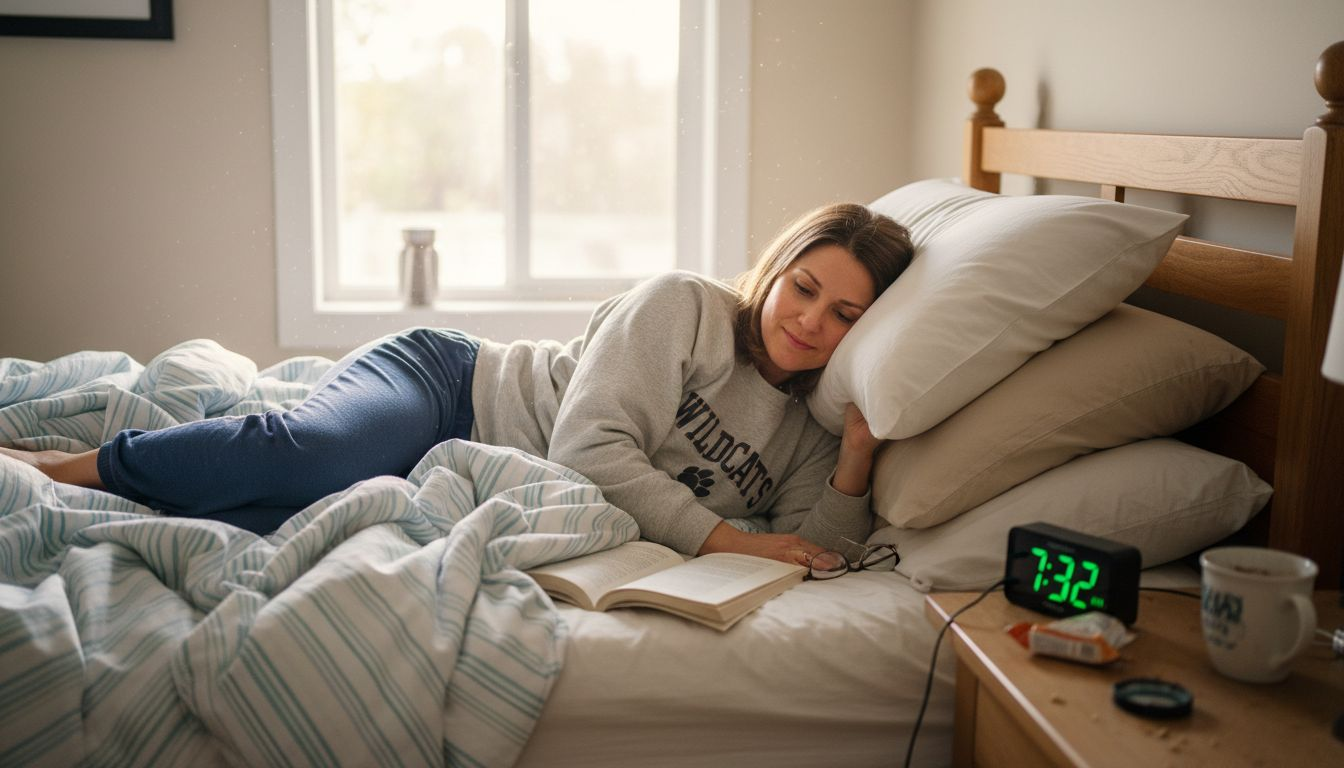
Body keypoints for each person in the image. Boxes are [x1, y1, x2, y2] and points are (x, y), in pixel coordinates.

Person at [1, 203, 914, 566]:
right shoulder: (683, 307)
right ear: (777, 270)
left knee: (275, 520)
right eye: (804, 288)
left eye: (844, 316)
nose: (809, 323)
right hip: (450, 387)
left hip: (472, 469)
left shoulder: (812, 428)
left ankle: (121, 490)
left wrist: (857, 461)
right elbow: (589, 448)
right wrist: (721, 538)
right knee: (308, 452)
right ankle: (59, 471)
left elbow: (814, 548)